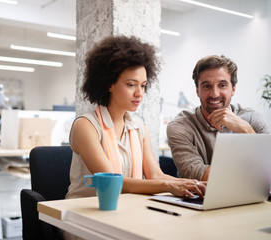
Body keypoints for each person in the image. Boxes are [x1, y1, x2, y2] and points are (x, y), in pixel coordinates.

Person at [65, 36, 206, 201]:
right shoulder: (85, 126)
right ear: (109, 84)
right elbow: (113, 182)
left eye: (143, 85)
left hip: (126, 208)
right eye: (131, 85)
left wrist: (196, 184)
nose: (139, 93)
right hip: (82, 214)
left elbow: (154, 175)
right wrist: (170, 186)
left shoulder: (138, 127)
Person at [167, 55, 271, 181]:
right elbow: (195, 172)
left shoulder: (252, 119)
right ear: (197, 91)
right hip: (199, 199)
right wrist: (251, 171)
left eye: (222, 85)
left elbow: (268, 168)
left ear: (233, 89)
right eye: (206, 86)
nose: (214, 94)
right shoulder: (180, 126)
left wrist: (246, 130)